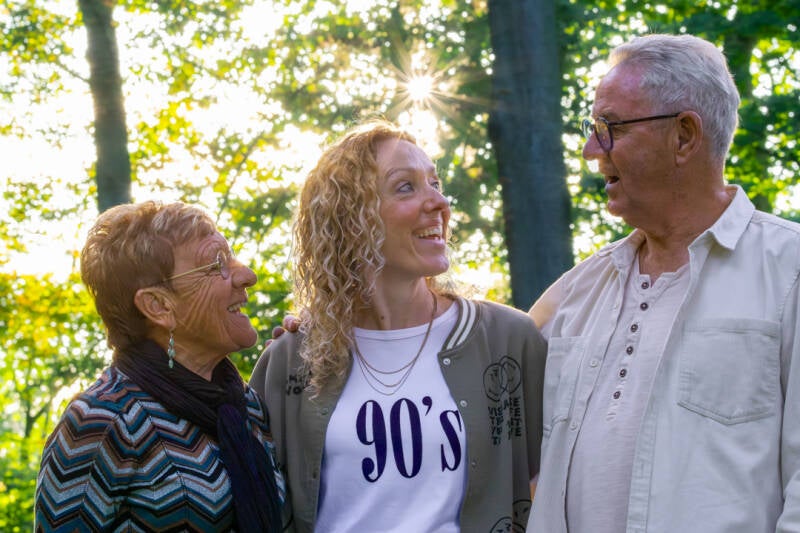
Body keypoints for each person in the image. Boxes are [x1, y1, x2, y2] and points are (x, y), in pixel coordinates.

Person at [528, 33, 800, 532]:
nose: (592, 150)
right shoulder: (574, 292)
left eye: (609, 128)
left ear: (684, 136)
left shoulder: (791, 271)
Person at [250, 120, 546, 532]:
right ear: (350, 219)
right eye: (406, 186)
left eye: (436, 184)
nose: (439, 202)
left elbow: (553, 483)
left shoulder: (508, 341)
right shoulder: (291, 360)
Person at [35, 201, 286, 532]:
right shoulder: (103, 421)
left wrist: (308, 356)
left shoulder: (247, 405)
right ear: (158, 306)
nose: (247, 275)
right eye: (216, 264)